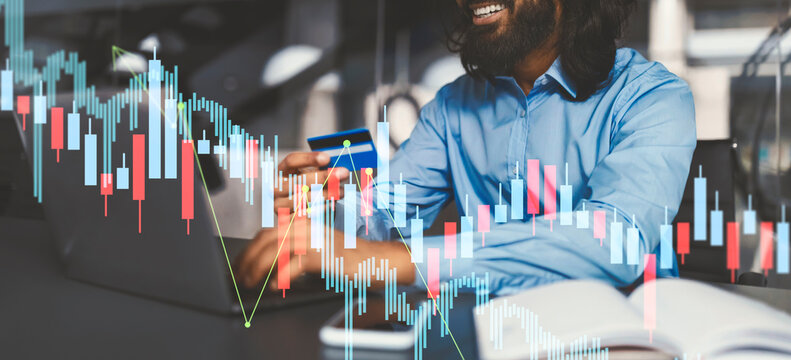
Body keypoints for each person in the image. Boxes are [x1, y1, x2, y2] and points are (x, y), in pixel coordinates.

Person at [235, 0, 696, 296]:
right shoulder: (453, 108)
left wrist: (407, 261)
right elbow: (383, 216)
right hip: (491, 336)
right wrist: (325, 213)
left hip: (619, 339)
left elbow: (613, 241)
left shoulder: (652, 97)